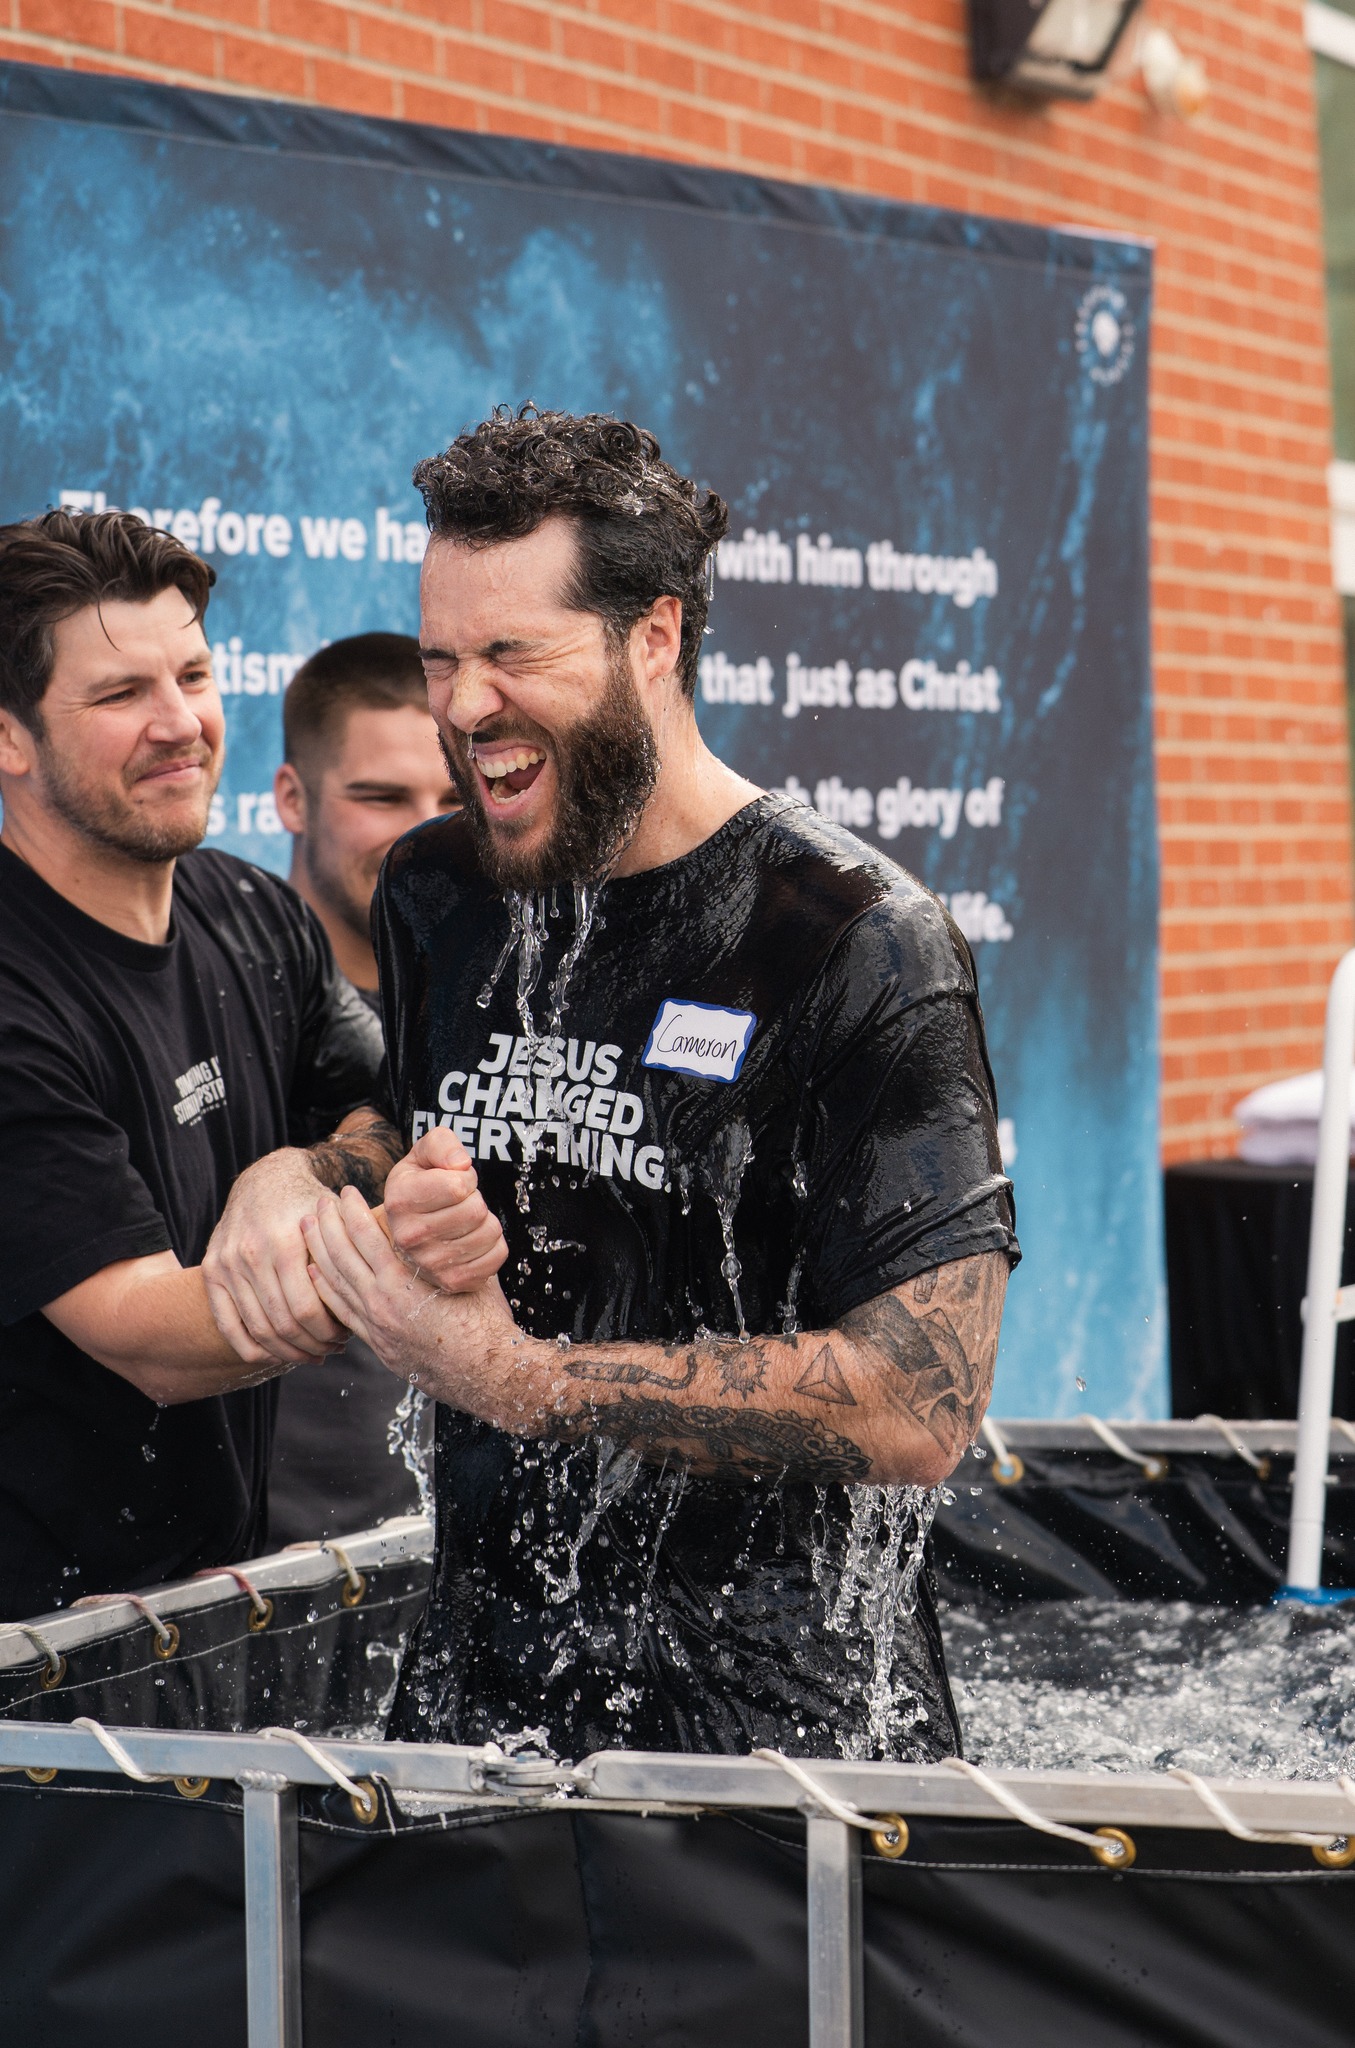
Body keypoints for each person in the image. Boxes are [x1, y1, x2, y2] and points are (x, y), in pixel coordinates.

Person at [297, 407, 1020, 1762]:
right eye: (441, 658)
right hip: (482, 1699)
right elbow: (414, 1131)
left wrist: (523, 1382)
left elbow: (921, 1399)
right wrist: (340, 1181)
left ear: (654, 636)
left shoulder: (853, 937)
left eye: (514, 653)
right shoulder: (441, 889)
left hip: (776, 1739)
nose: (462, 707)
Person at [0, 510, 405, 1622]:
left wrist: (296, 1175)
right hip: (34, 1670)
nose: (180, 724)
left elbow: (388, 1108)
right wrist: (392, 1276)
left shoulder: (250, 910)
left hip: (204, 1613)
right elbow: (148, 1337)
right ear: (9, 736)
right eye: (121, 693)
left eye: (193, 673)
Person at [268, 634, 458, 1542]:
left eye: (453, 798)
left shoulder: (514, 1006)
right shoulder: (222, 1005)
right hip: (253, 1578)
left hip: (463, 1553)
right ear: (290, 799)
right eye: (381, 797)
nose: (422, 832)